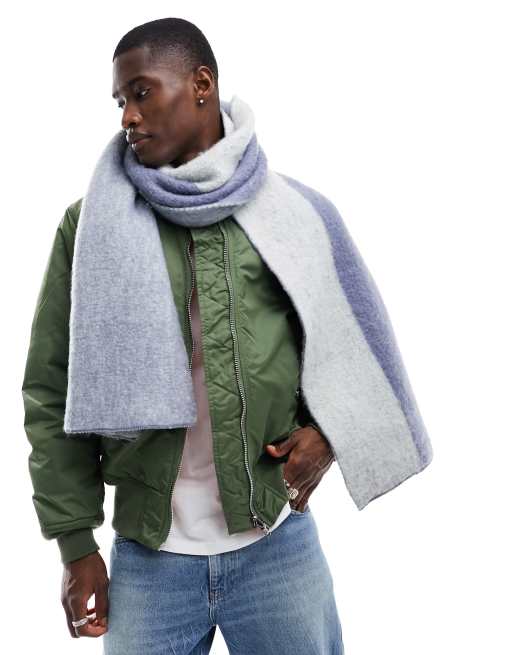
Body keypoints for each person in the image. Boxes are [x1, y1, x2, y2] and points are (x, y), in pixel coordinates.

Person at [22, 16, 433, 655]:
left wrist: (329, 432)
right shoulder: (90, 226)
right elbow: (51, 389)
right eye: (120, 101)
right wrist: (76, 544)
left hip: (276, 547)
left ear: (201, 84)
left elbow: (345, 352)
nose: (127, 116)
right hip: (149, 558)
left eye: (141, 92)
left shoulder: (291, 213)